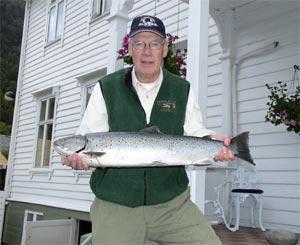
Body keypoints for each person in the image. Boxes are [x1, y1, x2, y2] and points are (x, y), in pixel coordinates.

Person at [62, 15, 235, 245]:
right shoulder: (107, 87)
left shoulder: (181, 89)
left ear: (164, 49)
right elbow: (91, 135)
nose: (146, 51)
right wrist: (79, 160)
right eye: (139, 43)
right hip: (116, 205)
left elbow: (196, 131)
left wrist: (215, 142)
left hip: (173, 205)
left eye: (154, 43)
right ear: (130, 49)